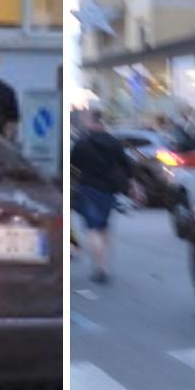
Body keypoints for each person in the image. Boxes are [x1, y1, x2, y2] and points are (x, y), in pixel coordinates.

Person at [69, 109, 133, 285]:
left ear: (91, 122)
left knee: (92, 229)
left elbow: (72, 164)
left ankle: (99, 269)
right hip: (109, 190)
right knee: (104, 228)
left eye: (86, 120)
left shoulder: (82, 143)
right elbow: (127, 166)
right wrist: (131, 184)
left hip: (89, 189)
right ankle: (105, 266)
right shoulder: (114, 143)